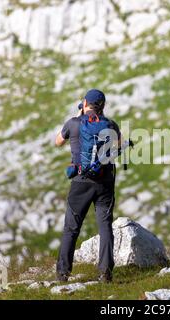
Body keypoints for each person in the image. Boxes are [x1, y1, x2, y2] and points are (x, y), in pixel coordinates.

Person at [55, 89, 121, 283]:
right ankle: (105, 273)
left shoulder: (74, 124)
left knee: (71, 228)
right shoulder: (111, 125)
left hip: (80, 182)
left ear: (85, 103)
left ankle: (63, 274)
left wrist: (77, 116)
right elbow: (119, 145)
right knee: (105, 226)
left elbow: (58, 141)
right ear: (103, 106)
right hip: (105, 183)